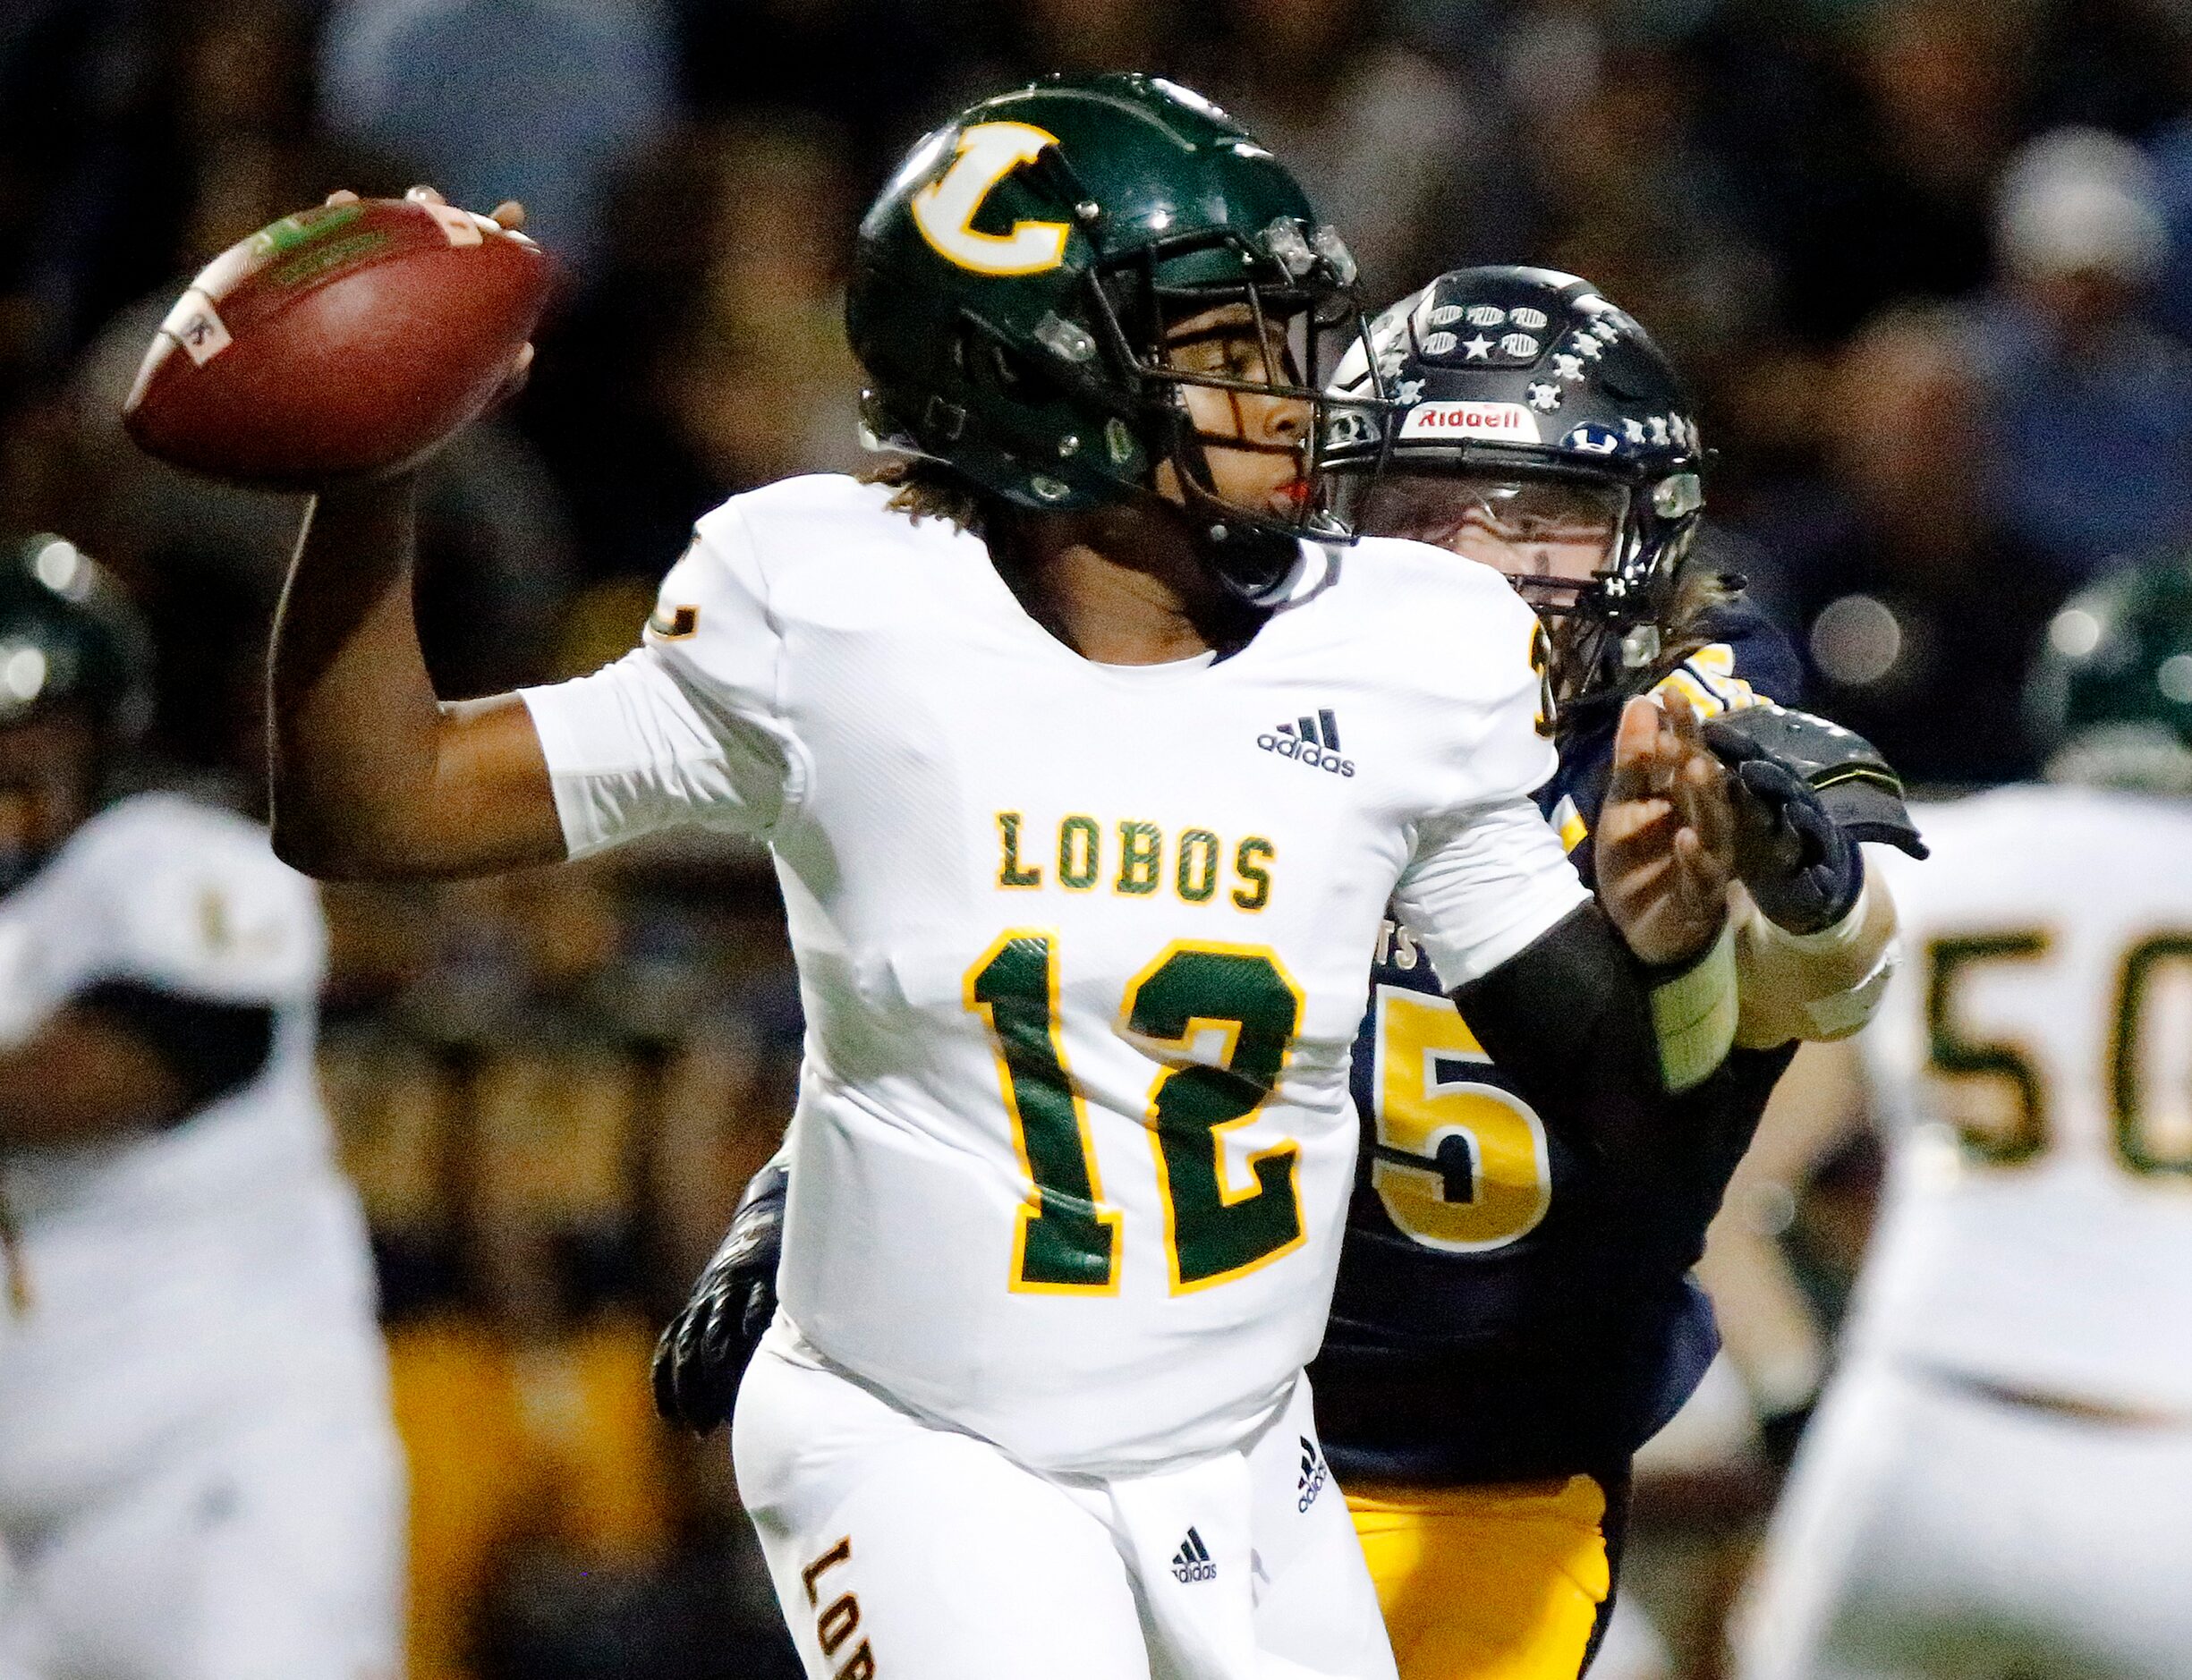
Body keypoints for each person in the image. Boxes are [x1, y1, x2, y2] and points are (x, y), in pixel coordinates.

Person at [267, 77, 1748, 1680]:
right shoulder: (832, 616)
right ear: (1044, 375)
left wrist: (1675, 953)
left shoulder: (1401, 646)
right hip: (928, 1443)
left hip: (1247, 1453)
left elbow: (1611, 1095)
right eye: (1222, 344)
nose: (1290, 385)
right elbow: (383, 803)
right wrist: (370, 481)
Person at [1310, 266, 1918, 1679]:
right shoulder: (1254, 681)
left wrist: (1789, 888)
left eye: (1533, 515)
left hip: (1505, 1436)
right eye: (1416, 504)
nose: (1469, 557)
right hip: (1207, 1422)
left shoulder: (1678, 706)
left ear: (1641, 534)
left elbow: (1829, 966)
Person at [1732, 547, 2192, 1680]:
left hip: (1917, 1429)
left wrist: (1796, 1410)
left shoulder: (1931, 865)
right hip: (2165, 1468)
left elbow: (1730, 1200)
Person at [0, 535, 402, 1680]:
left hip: (225, 1483)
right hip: (26, 1531)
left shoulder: (182, 860)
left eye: (34, 747)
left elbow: (121, 1068)